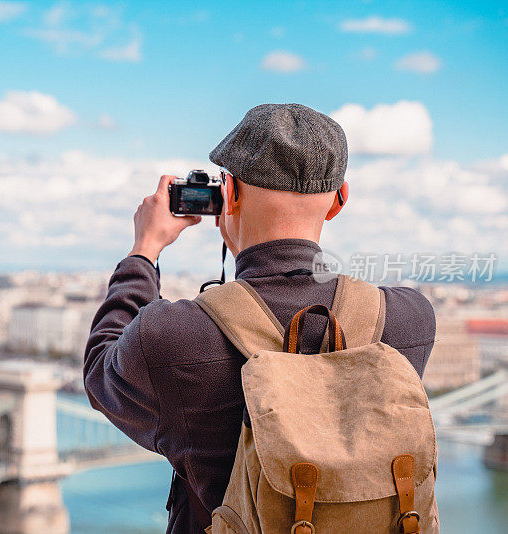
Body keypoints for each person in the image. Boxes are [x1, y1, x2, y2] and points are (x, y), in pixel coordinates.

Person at [84, 103, 436, 534]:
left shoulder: (173, 338)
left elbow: (101, 369)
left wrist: (144, 250)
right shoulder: (409, 320)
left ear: (228, 195)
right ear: (338, 201)